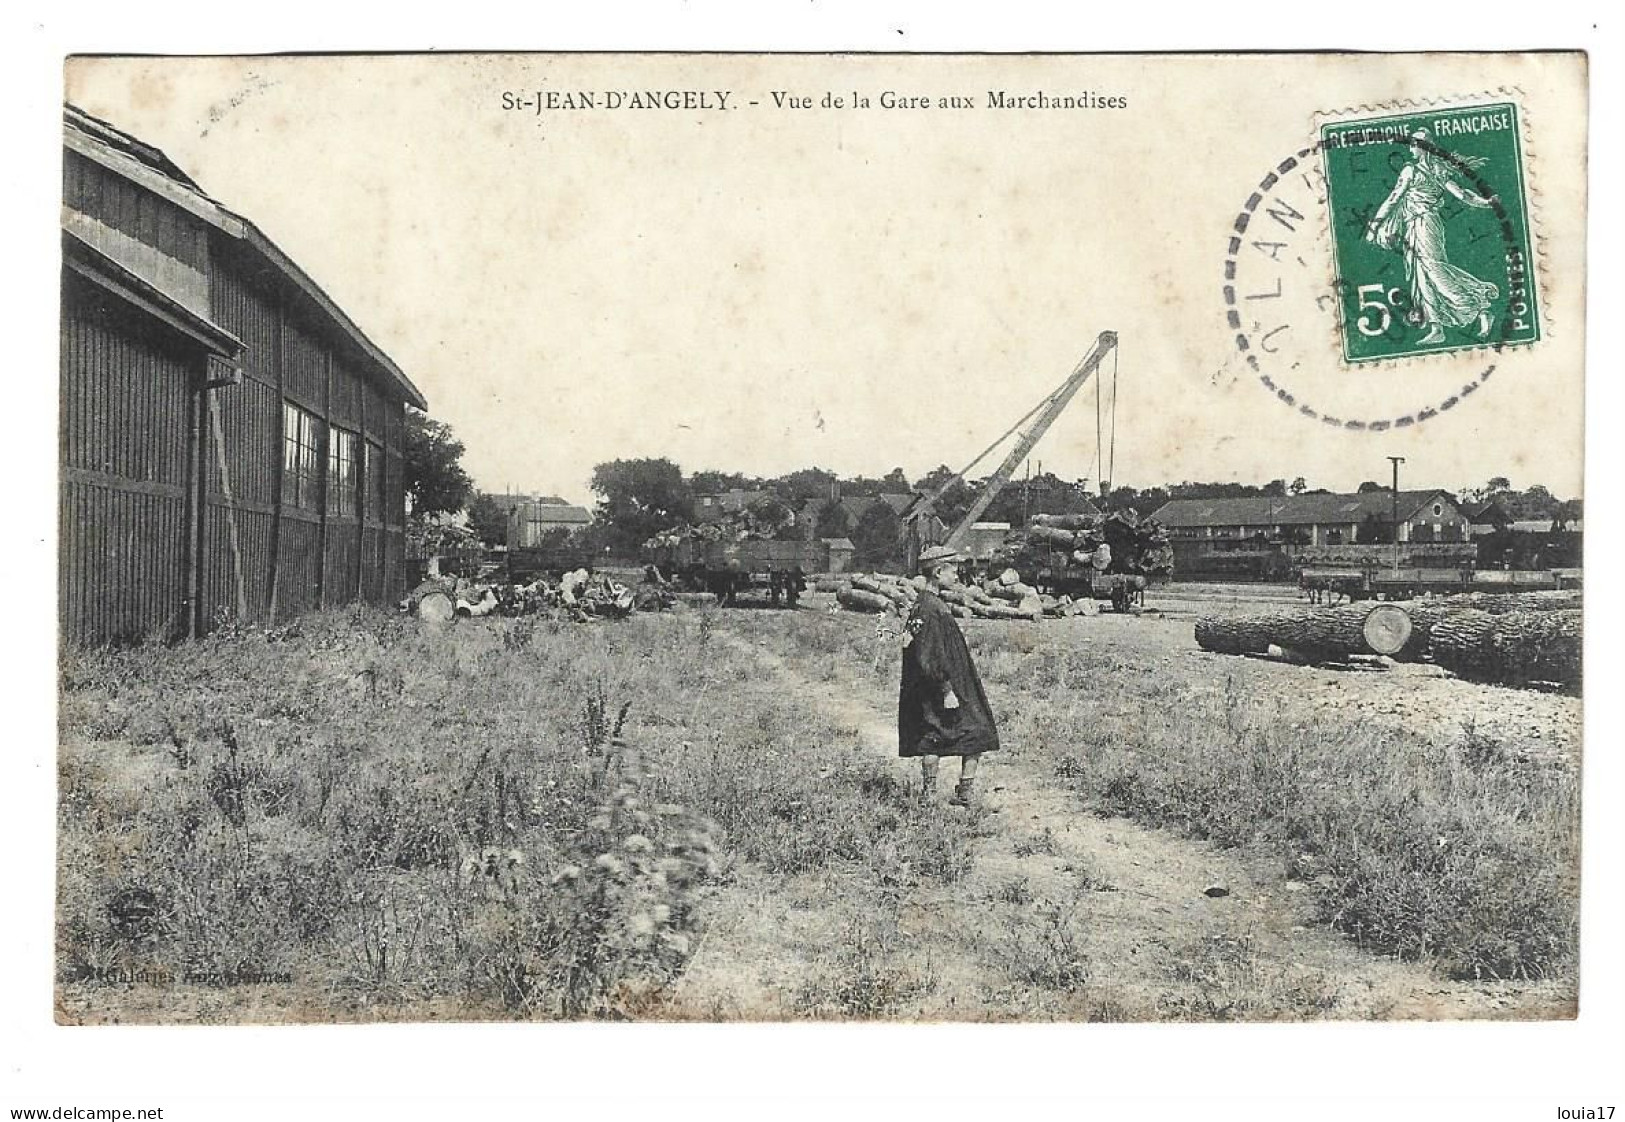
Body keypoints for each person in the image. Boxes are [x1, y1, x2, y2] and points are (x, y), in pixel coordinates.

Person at [1364, 128, 1500, 345]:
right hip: (1414, 225)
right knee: (1422, 274)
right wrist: (1484, 202)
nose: (1411, 148)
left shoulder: (1420, 170)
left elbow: (1393, 199)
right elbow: (1461, 194)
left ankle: (1478, 306)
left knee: (1434, 270)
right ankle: (1436, 328)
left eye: (1415, 143)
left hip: (1425, 224)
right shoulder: (1432, 170)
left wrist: (1374, 225)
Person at [898, 545, 1000, 807]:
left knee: (937, 735)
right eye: (952, 570)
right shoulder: (931, 609)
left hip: (940, 682)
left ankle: (944, 794)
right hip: (944, 685)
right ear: (938, 572)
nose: (956, 576)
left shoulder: (925, 604)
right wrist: (946, 690)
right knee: (973, 730)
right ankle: (941, 795)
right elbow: (928, 655)